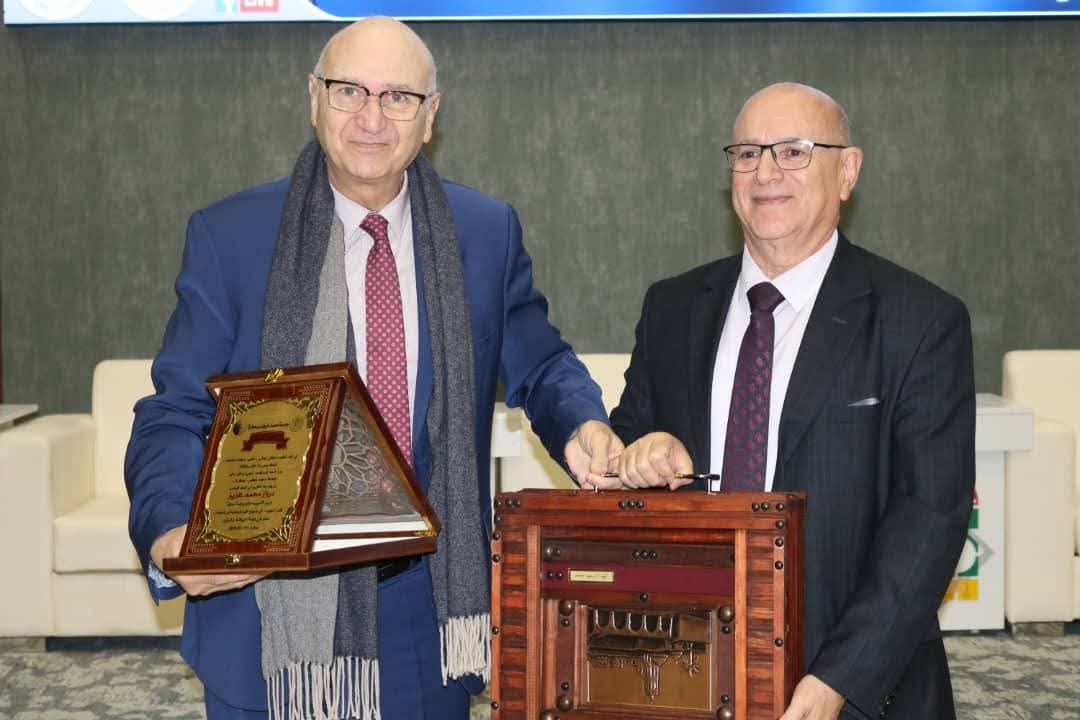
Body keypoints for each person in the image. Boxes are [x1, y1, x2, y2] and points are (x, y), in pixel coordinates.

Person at [125, 17, 621, 720]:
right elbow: (175, 411)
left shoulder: (485, 232)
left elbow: (540, 362)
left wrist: (583, 425)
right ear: (313, 97)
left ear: (430, 116)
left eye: (398, 97)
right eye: (350, 90)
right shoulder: (230, 236)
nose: (371, 118)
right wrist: (172, 527)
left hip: (428, 612)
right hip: (265, 616)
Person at [604, 83, 974, 720]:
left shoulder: (920, 320)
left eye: (794, 151)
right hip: (686, 673)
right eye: (748, 153)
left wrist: (838, 679)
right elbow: (625, 460)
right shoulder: (671, 307)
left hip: (858, 687)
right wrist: (640, 454)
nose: (766, 173)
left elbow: (928, 521)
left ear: (847, 171)